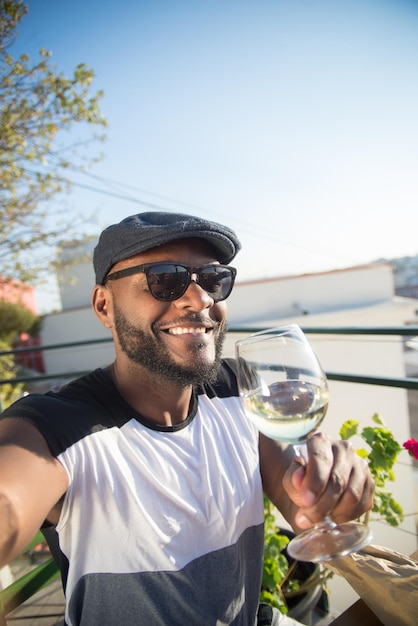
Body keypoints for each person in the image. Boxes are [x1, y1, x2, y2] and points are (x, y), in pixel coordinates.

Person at [0, 212, 374, 626]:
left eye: (214, 279)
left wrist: (330, 491)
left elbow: (302, 506)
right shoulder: (56, 425)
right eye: (164, 278)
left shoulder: (238, 390)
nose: (200, 299)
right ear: (104, 306)